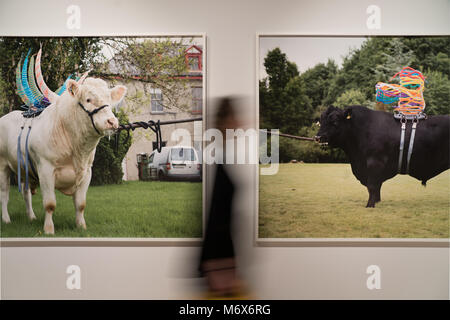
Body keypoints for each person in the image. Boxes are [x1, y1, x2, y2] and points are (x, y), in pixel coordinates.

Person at [198, 97, 246, 298]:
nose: (240, 122)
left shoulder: (223, 156)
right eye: (235, 116)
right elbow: (216, 216)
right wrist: (218, 262)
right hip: (220, 262)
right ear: (226, 121)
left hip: (223, 259)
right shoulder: (217, 159)